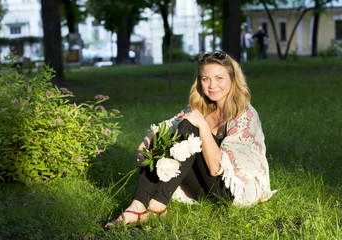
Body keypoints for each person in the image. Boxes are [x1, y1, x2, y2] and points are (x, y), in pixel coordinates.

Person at [105, 50, 276, 228]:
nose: (212, 85)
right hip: (200, 189)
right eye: (205, 79)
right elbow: (164, 127)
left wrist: (202, 126)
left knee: (190, 126)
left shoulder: (245, 114)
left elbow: (217, 168)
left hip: (227, 191)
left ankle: (158, 203)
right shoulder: (200, 106)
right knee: (167, 135)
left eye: (219, 78)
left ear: (232, 80)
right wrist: (144, 145)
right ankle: (137, 206)